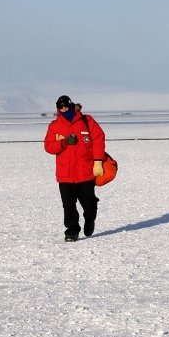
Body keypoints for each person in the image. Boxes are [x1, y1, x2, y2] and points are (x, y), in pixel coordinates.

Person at [44, 95, 106, 242]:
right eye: (60, 106)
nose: (63, 108)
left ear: (71, 105)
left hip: (85, 172)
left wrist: (98, 160)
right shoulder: (54, 126)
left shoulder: (87, 121)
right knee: (68, 206)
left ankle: (90, 219)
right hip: (65, 174)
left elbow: (99, 138)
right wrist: (64, 142)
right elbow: (48, 146)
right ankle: (72, 231)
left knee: (88, 204)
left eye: (65, 105)